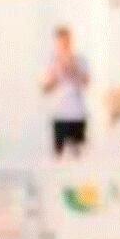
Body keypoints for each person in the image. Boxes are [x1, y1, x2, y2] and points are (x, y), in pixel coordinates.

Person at [41, 26, 91, 158]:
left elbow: (86, 83)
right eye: (61, 42)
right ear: (57, 43)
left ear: (71, 41)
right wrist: (55, 74)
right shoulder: (51, 62)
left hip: (77, 113)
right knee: (59, 153)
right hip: (59, 113)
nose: (64, 44)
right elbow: (45, 89)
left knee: (78, 153)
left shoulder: (80, 60)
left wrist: (73, 68)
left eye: (67, 41)